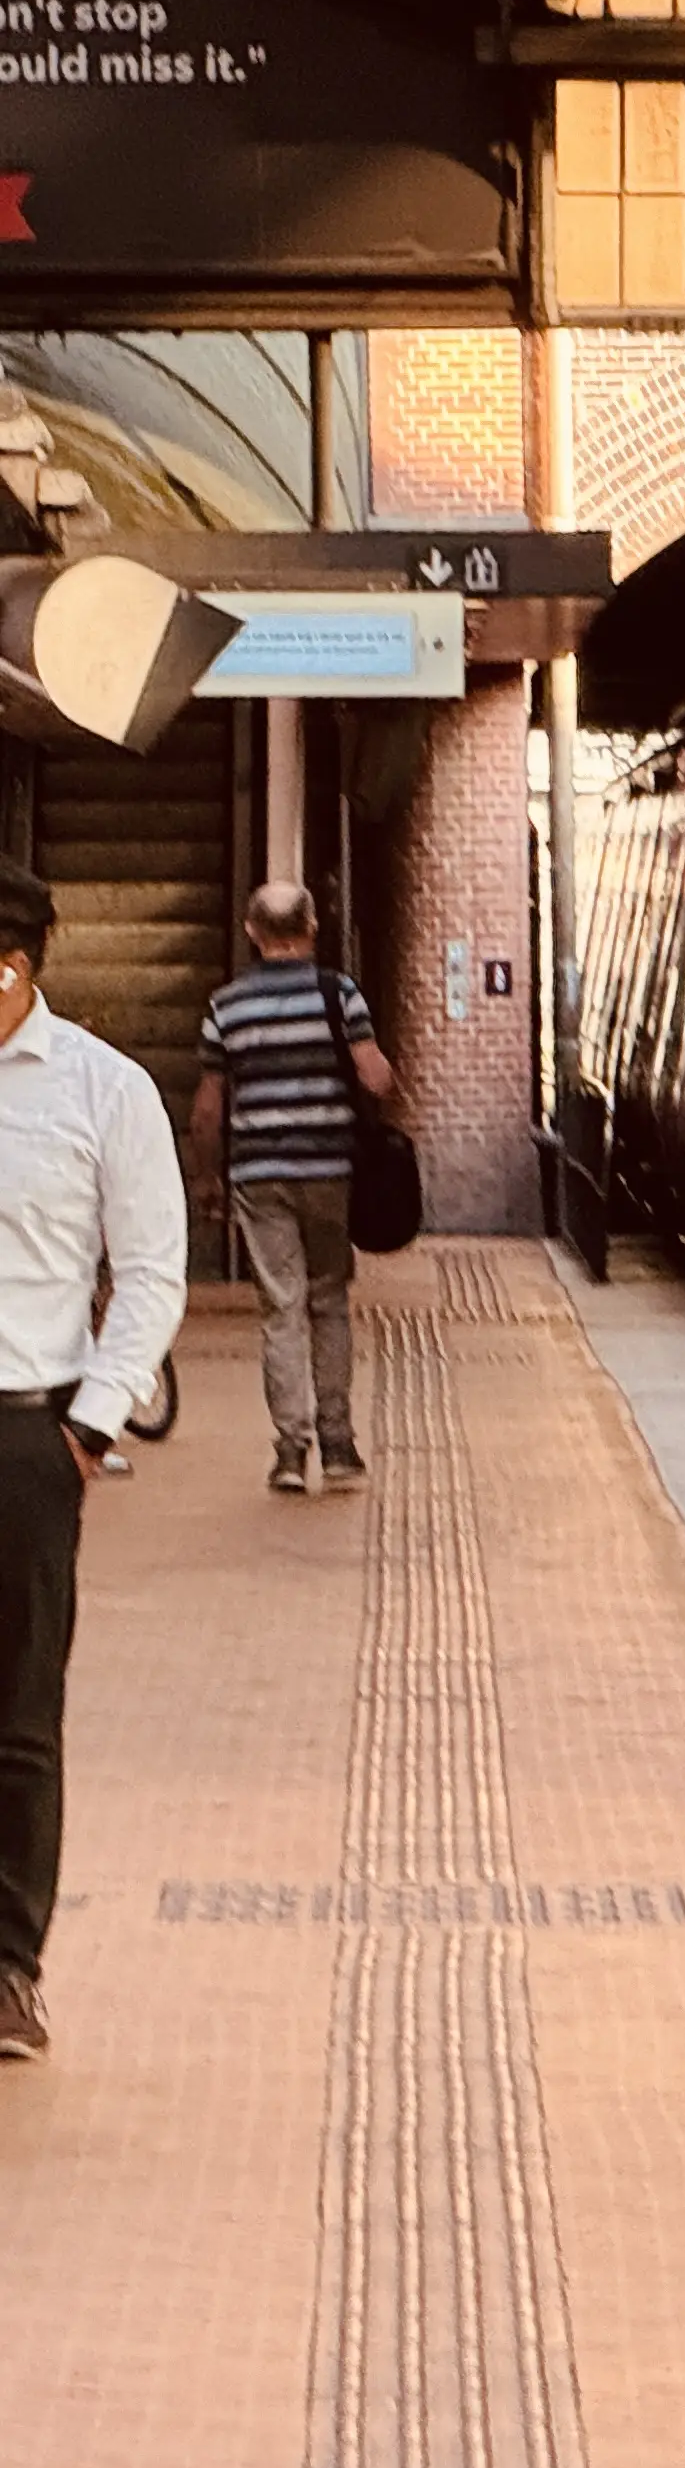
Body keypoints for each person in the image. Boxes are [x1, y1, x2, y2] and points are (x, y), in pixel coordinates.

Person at [0, 860, 188, 2064]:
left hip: (27, 1434)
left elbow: (154, 1270)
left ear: (27, 964)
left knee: (19, 1717)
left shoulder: (102, 1092)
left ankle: (10, 1969)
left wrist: (90, 1426)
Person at [189, 884, 393, 1493]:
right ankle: (338, 1446)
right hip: (328, 1169)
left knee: (281, 1308)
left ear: (252, 931)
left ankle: (287, 1451)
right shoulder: (341, 994)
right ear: (311, 925)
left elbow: (206, 1109)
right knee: (327, 1298)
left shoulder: (225, 1006)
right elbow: (375, 1078)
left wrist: (206, 1176)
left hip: (258, 1174)